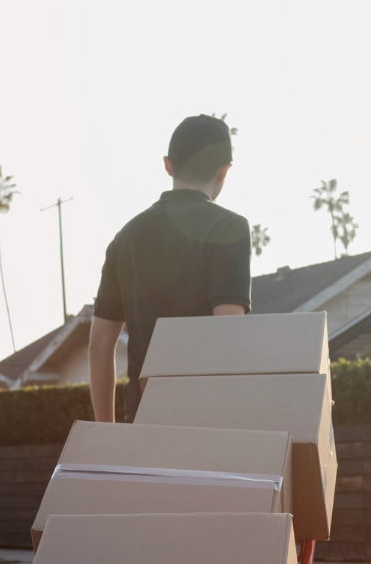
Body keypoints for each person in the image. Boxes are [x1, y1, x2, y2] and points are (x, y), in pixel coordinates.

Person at [88, 114, 252, 423]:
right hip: (208, 424)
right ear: (224, 172)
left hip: (143, 422)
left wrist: (106, 434)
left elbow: (99, 345)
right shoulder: (229, 228)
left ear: (168, 165)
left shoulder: (126, 238)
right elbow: (229, 334)